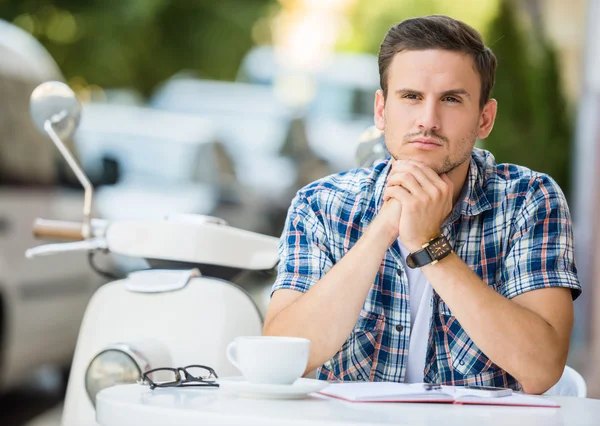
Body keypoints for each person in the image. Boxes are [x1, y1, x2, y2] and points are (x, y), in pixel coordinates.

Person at [262, 15, 581, 394]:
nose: (428, 121)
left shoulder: (529, 200)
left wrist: (431, 245)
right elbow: (278, 360)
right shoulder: (321, 205)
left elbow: (543, 369)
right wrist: (384, 227)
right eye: (411, 97)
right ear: (381, 110)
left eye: (450, 99)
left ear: (485, 118)